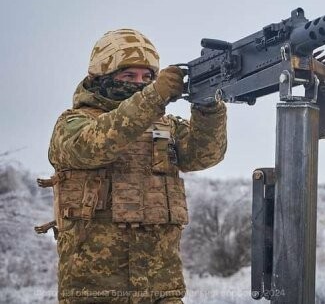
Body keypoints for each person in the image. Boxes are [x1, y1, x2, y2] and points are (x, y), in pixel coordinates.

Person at [40, 28, 227, 303]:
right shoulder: (72, 124)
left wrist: (209, 106)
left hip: (162, 292)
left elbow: (204, 154)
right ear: (102, 77)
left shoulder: (165, 127)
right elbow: (95, 146)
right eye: (128, 76)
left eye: (148, 77)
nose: (141, 84)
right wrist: (153, 96)